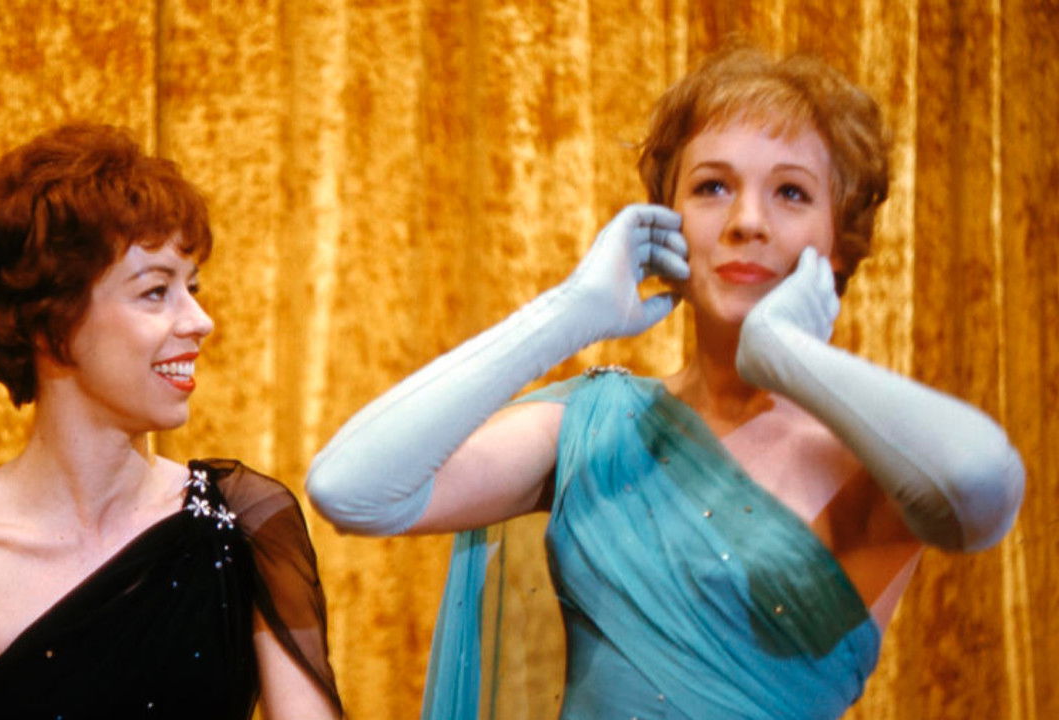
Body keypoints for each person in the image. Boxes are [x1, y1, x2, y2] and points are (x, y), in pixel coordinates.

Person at [306, 47, 1025, 719]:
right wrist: (572, 312)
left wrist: (784, 355)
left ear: (838, 242)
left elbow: (982, 483)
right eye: (713, 187)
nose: (748, 220)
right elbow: (352, 488)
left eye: (791, 194)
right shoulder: (596, 423)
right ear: (665, 223)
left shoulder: (879, 460)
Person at [0, 124, 342, 719]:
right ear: (48, 322)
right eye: (154, 292)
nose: (200, 321)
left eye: (191, 287)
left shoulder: (244, 523)